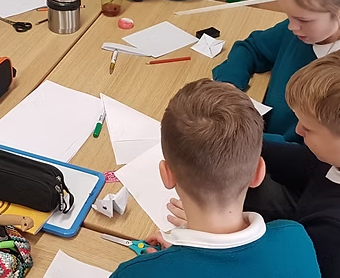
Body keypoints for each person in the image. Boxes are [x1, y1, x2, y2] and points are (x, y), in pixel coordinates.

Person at [110, 79, 320, 278]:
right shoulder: (296, 239)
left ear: (167, 175)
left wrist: (161, 264)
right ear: (258, 173)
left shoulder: (133, 274)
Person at [213, 0, 340, 143]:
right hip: (258, 138)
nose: (291, 26)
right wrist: (229, 85)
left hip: (280, 158)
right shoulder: (298, 32)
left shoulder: (334, 78)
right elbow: (251, 48)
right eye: (289, 16)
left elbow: (312, 156)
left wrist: (250, 140)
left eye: (303, 19)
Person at [241, 51, 340, 278]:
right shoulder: (331, 156)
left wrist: (216, 237)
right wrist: (242, 139)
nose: (297, 131)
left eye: (308, 128)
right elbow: (309, 164)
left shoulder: (330, 233)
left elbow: (283, 268)